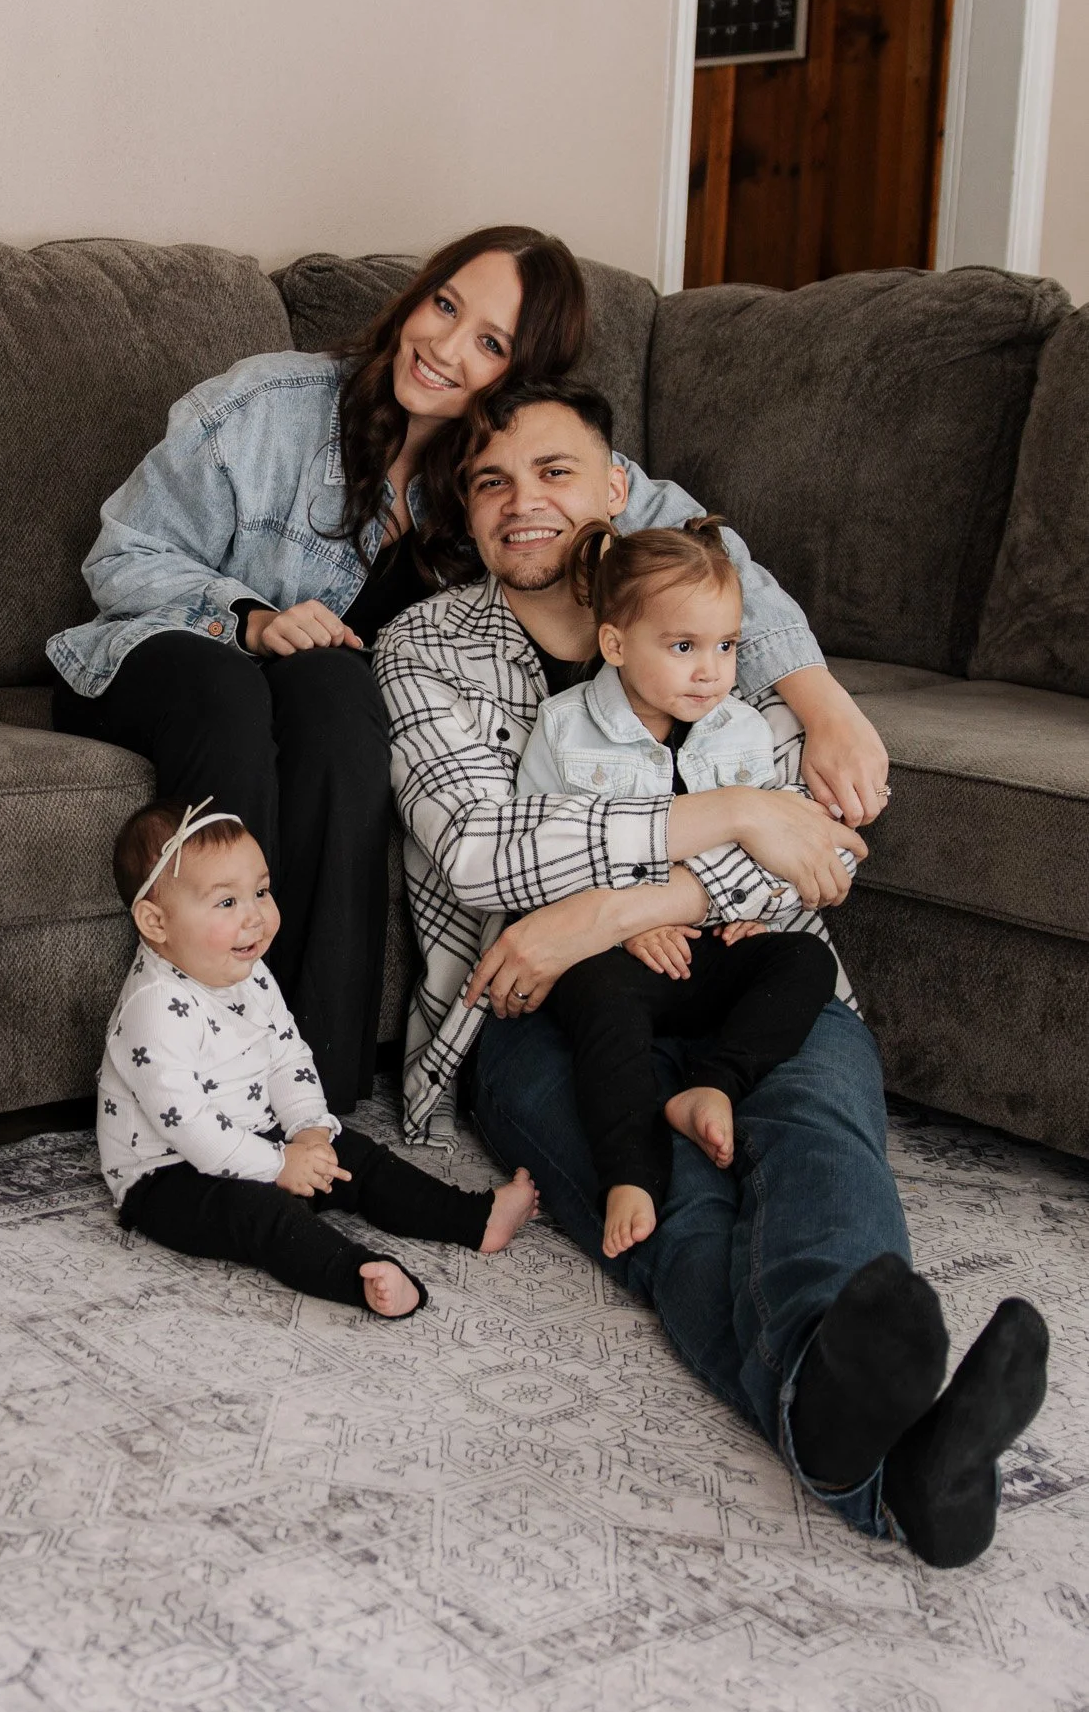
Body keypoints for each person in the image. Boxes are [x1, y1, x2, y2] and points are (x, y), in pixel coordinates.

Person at [375, 377, 1050, 1566]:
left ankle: (861, 1447)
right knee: (673, 1198)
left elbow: (811, 863)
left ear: (620, 488)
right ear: (466, 517)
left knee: (816, 1135)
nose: (522, 501)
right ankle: (890, 1471)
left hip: (749, 973)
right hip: (538, 1011)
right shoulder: (426, 645)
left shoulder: (717, 629)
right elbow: (482, 848)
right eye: (490, 483)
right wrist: (734, 820)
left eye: (555, 470)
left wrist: (621, 902)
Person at [49, 223, 890, 1112]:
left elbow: (702, 554)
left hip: (312, 695)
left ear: (519, 374)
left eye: (488, 342)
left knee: (338, 688)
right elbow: (123, 558)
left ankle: (312, 1090)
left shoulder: (509, 467)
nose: (445, 347)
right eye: (443, 305)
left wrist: (822, 701)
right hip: (159, 661)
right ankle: (196, 1056)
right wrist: (250, 619)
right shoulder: (269, 405)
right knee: (238, 687)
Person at [514, 514, 842, 1258]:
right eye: (685, 647)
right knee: (599, 1005)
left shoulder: (744, 731)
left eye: (726, 646)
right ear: (617, 645)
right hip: (611, 955)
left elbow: (780, 851)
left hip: (707, 944)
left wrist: (753, 912)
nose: (711, 671)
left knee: (804, 963)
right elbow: (540, 854)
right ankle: (630, 1171)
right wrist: (627, 924)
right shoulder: (566, 729)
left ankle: (714, 1084)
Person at [99, 798, 539, 1318]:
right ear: (155, 922)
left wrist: (309, 1128)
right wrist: (279, 1165)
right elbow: (192, 1128)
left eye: (260, 892)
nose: (256, 917)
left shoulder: (248, 970)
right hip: (171, 1176)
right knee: (262, 1215)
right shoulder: (153, 1010)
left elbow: (286, 1053)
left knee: (352, 1155)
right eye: (226, 903)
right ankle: (361, 1277)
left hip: (258, 1140)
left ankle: (474, 1219)